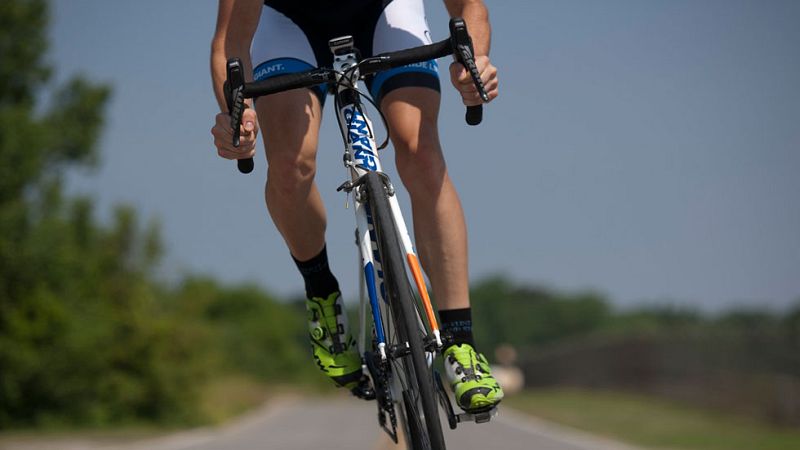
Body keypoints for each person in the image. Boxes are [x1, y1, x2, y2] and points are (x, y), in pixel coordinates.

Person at [210, 0, 503, 413]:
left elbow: (469, 7)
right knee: (291, 166)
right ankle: (322, 294)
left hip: (386, 12)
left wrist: (474, 62)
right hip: (290, 24)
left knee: (421, 153)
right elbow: (230, 43)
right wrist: (235, 116)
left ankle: (461, 342)